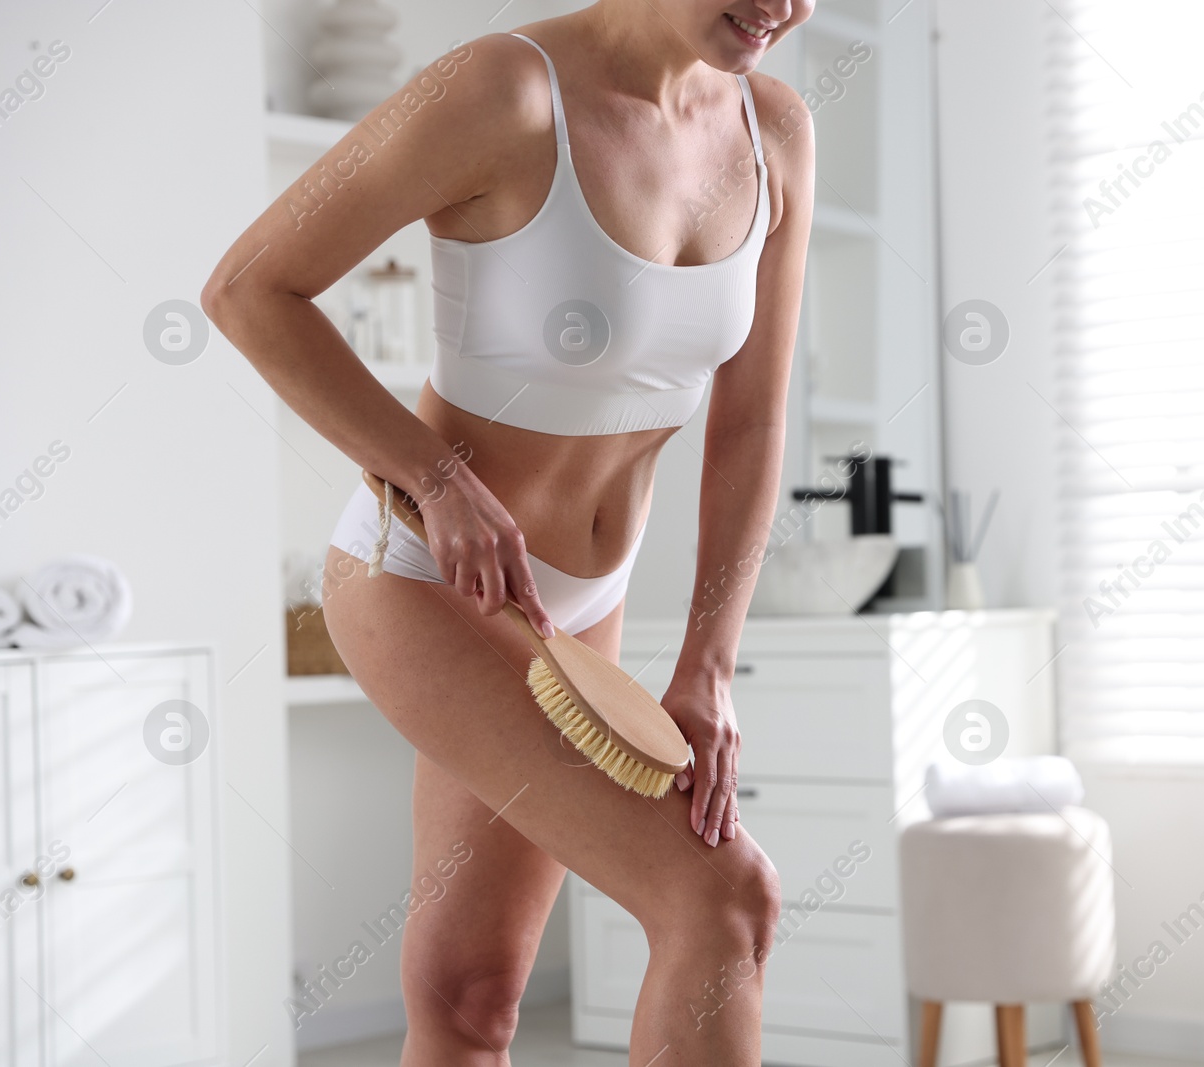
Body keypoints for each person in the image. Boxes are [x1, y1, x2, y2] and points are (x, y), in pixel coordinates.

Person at [202, 2, 815, 1062]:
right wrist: (433, 476)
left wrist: (709, 663)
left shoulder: (776, 130)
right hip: (424, 582)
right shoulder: (503, 90)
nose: (782, 5)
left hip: (581, 605)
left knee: (473, 992)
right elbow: (251, 288)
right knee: (720, 896)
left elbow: (752, 420)